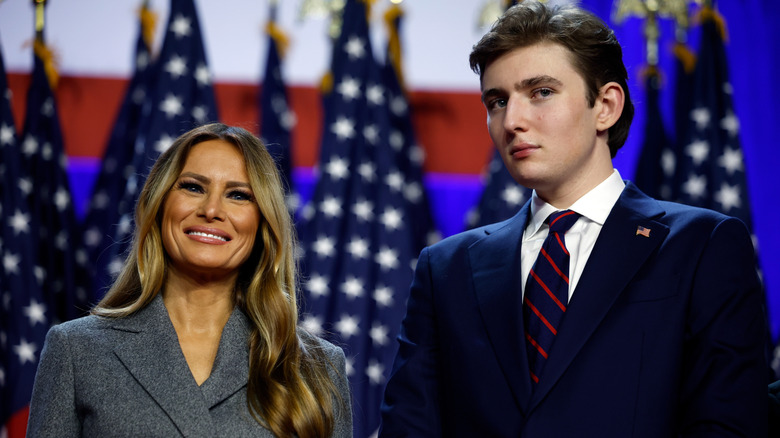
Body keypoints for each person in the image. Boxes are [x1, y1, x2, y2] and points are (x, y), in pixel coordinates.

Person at [379, 2, 767, 437]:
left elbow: (729, 425)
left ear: (606, 105)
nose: (513, 120)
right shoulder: (445, 268)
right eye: (497, 101)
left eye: (541, 92)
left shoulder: (702, 246)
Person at [26, 123, 353, 437]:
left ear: (262, 222)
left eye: (238, 195)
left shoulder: (314, 367)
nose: (211, 210)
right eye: (193, 187)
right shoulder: (76, 350)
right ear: (159, 204)